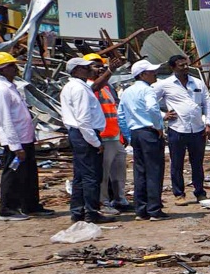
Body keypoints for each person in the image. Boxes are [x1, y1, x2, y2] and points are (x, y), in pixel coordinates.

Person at [0, 51, 50, 220]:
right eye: (10, 66)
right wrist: (15, 146)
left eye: (14, 65)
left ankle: (30, 205)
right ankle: (7, 209)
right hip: (15, 142)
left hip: (25, 138)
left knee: (28, 174)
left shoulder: (11, 87)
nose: (15, 69)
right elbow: (5, 120)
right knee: (13, 174)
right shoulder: (0, 90)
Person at [154, 55, 210, 204]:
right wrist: (163, 115)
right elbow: (149, 103)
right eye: (181, 65)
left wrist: (209, 123)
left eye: (186, 65)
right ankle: (179, 194)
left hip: (198, 130)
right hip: (177, 129)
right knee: (177, 163)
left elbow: (207, 104)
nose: (185, 68)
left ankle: (200, 192)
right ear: (173, 68)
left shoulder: (198, 83)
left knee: (197, 163)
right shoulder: (165, 84)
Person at [59, 56, 109, 223]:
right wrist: (95, 142)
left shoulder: (73, 87)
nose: (90, 70)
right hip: (85, 134)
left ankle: (77, 211)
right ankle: (91, 212)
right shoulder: (79, 89)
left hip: (78, 133)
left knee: (80, 175)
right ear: (76, 70)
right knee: (91, 176)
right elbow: (83, 119)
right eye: (86, 67)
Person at [120, 60, 170, 220]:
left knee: (140, 172)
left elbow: (120, 115)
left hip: (135, 132)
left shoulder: (127, 92)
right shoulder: (148, 91)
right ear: (142, 75)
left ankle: (141, 210)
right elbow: (152, 108)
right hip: (149, 132)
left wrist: (128, 135)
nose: (154, 74)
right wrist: (158, 126)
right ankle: (154, 209)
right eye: (151, 72)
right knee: (154, 171)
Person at [85, 53, 133, 214]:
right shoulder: (87, 85)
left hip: (114, 136)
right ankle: (103, 202)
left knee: (119, 172)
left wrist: (122, 133)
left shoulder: (107, 86)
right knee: (103, 175)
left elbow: (115, 110)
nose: (100, 68)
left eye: (101, 65)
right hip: (102, 137)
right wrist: (110, 70)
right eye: (95, 66)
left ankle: (120, 199)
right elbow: (93, 88)